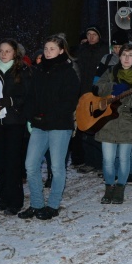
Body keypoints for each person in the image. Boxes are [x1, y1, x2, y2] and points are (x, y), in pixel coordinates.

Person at [19, 34, 80, 220]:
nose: (48, 52)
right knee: (30, 164)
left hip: (59, 125)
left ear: (61, 50)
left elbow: (69, 102)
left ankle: (53, 205)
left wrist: (49, 115)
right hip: (39, 124)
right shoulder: (37, 71)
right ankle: (37, 204)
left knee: (57, 167)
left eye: (52, 49)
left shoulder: (68, 71)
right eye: (45, 49)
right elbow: (30, 96)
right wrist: (31, 115)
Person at [92, 43, 132, 204]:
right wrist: (112, 87)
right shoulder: (110, 72)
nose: (127, 58)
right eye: (124, 55)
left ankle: (120, 189)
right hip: (108, 121)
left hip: (128, 123)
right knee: (108, 160)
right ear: (119, 56)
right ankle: (109, 187)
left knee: (124, 159)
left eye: (130, 55)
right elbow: (96, 88)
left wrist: (124, 96)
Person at [0, 39, 31, 215]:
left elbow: (27, 96)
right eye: (1, 51)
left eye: (7, 51)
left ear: (15, 53)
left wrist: (9, 101)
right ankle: (3, 197)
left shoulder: (22, 70)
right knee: (0, 160)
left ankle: (15, 200)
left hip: (14, 122)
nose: (3, 54)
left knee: (12, 162)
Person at [75, 26, 110, 174]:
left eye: (94, 34)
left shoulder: (104, 51)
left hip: (98, 94)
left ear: (99, 36)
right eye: (88, 34)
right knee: (85, 127)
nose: (91, 37)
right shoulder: (82, 50)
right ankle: (89, 161)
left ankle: (102, 162)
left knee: (99, 127)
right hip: (83, 93)